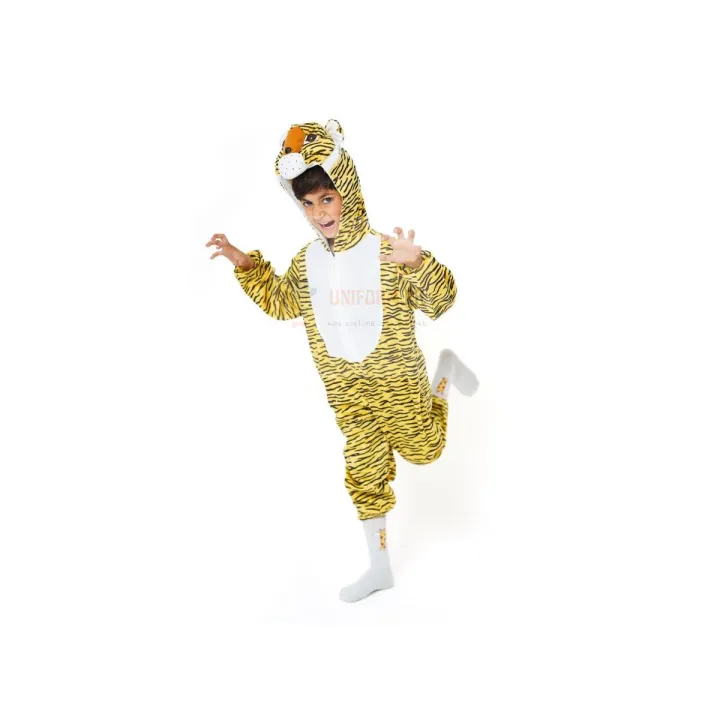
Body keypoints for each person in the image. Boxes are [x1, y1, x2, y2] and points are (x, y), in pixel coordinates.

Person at [205, 119, 479, 603]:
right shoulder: (307, 261)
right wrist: (244, 263)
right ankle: (380, 567)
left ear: (346, 192)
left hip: (397, 380)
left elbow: (440, 303)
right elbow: (282, 303)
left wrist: (419, 265)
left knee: (426, 452)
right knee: (363, 470)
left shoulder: (387, 252)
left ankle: (444, 373)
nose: (319, 213)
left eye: (327, 198)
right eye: (308, 204)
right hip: (347, 392)